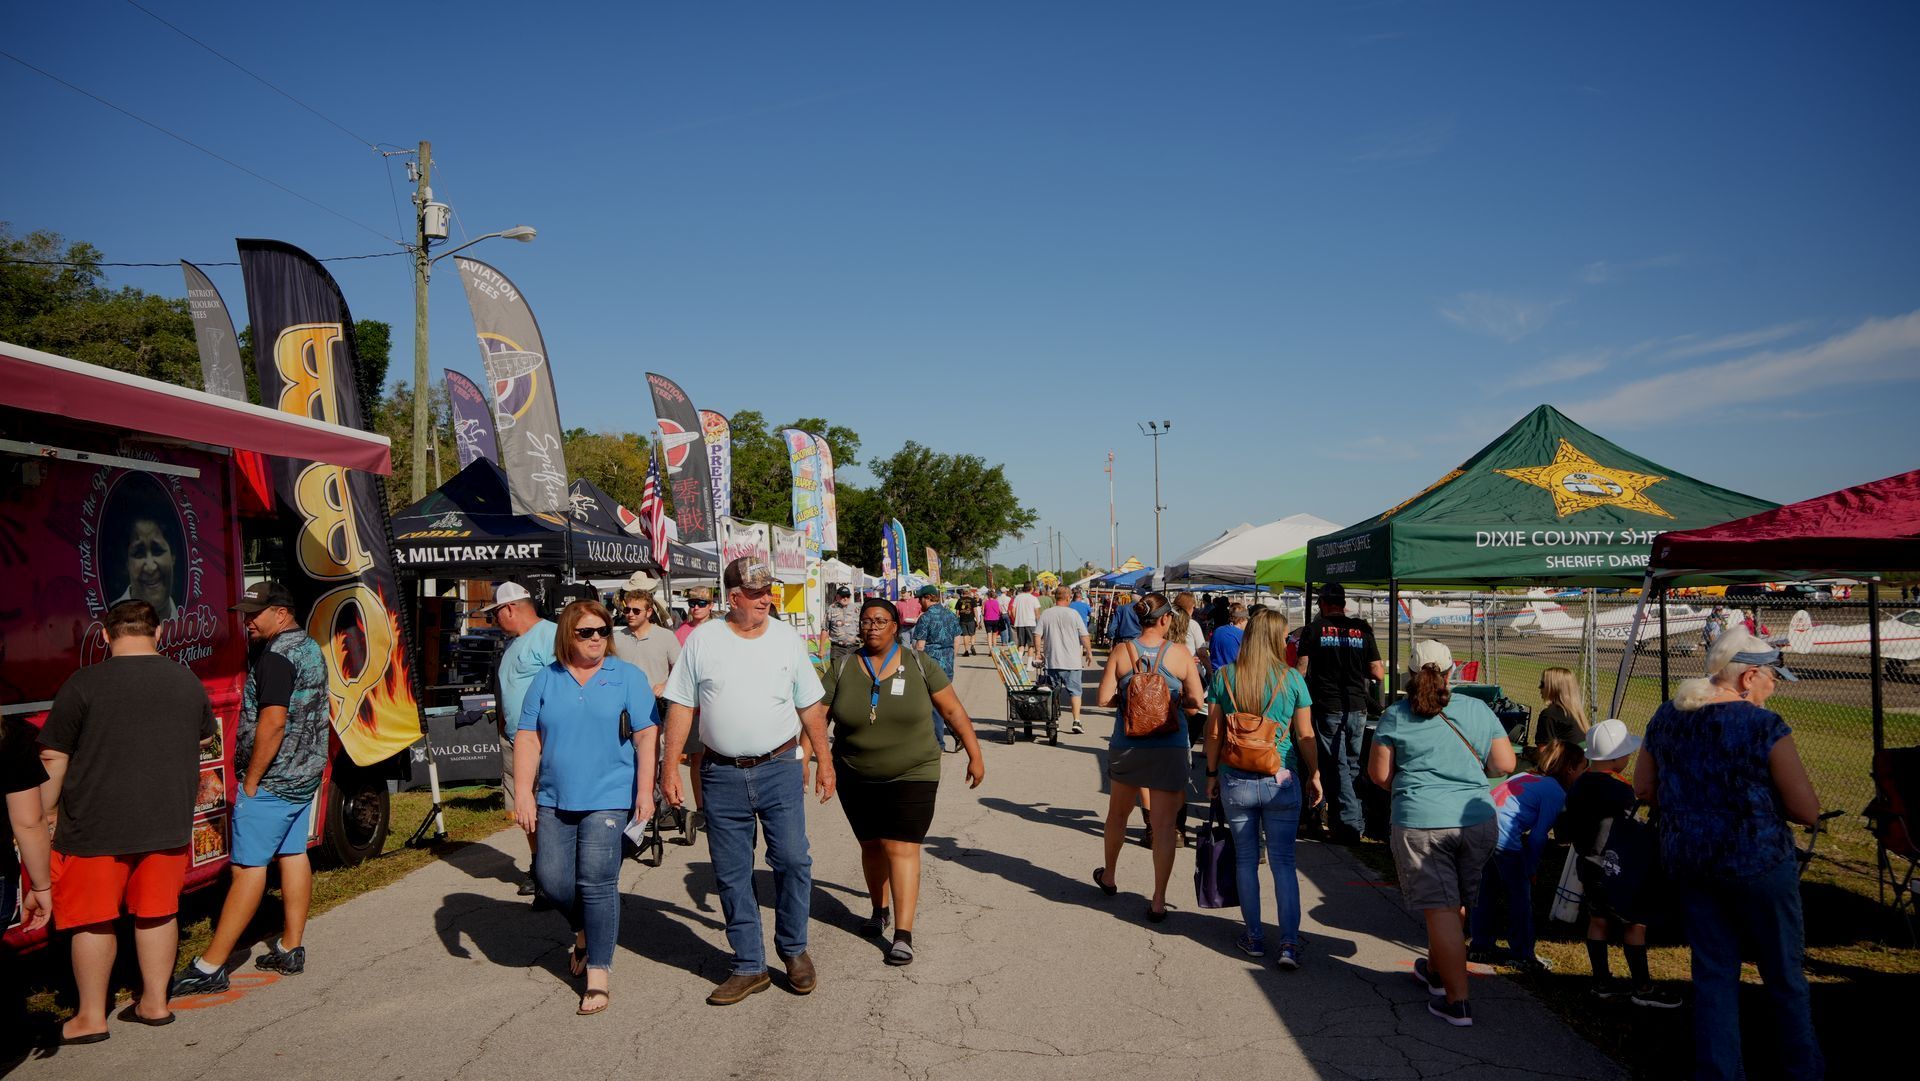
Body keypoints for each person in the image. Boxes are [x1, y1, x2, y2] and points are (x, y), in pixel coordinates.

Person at [1636, 629, 1824, 1079]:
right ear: (1748, 676)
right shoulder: (1764, 726)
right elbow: (1807, 810)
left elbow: (1644, 788)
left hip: (1690, 860)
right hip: (1758, 861)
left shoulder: (1668, 716)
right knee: (1783, 974)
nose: (1774, 687)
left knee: (1714, 974)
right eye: (1772, 678)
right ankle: (1802, 1069)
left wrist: (1690, 801)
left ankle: (1720, 1072)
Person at [35, 600, 211, 1043]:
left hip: (94, 824)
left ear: (105, 634)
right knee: (158, 911)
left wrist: (44, 812)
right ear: (160, 632)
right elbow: (203, 737)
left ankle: (91, 1018)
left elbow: (53, 754)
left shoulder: (83, 683)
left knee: (93, 919)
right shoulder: (186, 680)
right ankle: (155, 1003)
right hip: (166, 819)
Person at [661, 558, 833, 1006]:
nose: (765, 600)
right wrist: (668, 767)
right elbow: (681, 705)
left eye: (767, 592)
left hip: (779, 767)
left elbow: (810, 705)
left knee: (792, 860)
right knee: (732, 872)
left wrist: (824, 760)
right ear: (732, 597)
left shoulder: (786, 639)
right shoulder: (703, 640)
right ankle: (749, 965)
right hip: (720, 774)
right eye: (756, 594)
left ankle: (793, 949)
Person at [172, 581, 330, 998]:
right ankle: (291, 947)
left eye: (254, 614)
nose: (247, 622)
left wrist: (252, 780)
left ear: (281, 613)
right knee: (293, 854)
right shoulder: (309, 647)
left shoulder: (275, 657)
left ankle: (211, 967)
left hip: (274, 780)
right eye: (245, 614)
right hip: (303, 774)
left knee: (247, 869)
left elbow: (273, 722)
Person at [513, 599, 658, 1015]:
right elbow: (528, 736)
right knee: (552, 879)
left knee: (597, 882)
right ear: (567, 635)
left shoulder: (627, 676)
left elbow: (647, 735)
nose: (596, 638)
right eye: (586, 632)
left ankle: (598, 973)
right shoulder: (547, 678)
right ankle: (582, 930)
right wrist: (523, 792)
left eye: (603, 631)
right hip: (555, 797)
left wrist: (644, 792)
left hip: (610, 796)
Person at [823, 599, 986, 965]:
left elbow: (952, 710)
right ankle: (878, 910)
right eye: (866, 621)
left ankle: (902, 934)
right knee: (871, 845)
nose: (872, 627)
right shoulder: (842, 666)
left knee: (900, 847)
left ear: (896, 626)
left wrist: (974, 753)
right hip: (854, 771)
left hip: (914, 772)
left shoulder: (919, 663)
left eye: (880, 621)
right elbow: (819, 716)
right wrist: (810, 760)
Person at [1367, 639, 1516, 1028]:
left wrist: (1414, 787)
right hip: (1476, 818)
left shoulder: (1396, 716)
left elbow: (1379, 775)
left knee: (1442, 908)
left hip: (1423, 821)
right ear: (1452, 672)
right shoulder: (1478, 709)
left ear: (1410, 674)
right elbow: (1505, 763)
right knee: (1456, 902)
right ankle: (1437, 971)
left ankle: (1457, 1000)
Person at [1204, 608, 1320, 968]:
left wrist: (1211, 773)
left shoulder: (1225, 676)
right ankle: (1288, 943)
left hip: (1235, 776)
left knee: (1245, 859)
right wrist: (1314, 773)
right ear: (1276, 639)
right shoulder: (1292, 679)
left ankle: (1254, 936)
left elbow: (1213, 732)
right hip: (1280, 776)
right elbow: (1305, 734)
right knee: (1284, 862)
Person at [1093, 593, 1207, 923]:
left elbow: (1103, 699)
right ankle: (1158, 899)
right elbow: (1196, 702)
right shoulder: (1180, 654)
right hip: (1169, 746)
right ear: (1165, 619)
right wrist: (1169, 701)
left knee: (1117, 815)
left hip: (1128, 744)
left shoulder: (1122, 651)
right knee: (1164, 826)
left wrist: (1132, 700)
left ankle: (1110, 875)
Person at [1556, 717, 1676, 1009]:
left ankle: (1601, 982)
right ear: (1614, 758)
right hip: (1616, 866)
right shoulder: (1620, 790)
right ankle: (1642, 987)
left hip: (1587, 863)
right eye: (1626, 753)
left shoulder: (1580, 783)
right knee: (1635, 923)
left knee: (1598, 920)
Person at [1469, 741, 1586, 973]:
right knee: (1520, 898)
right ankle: (1523, 954)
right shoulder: (1555, 792)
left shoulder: (1525, 776)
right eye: (1583, 767)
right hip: (1502, 839)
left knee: (1484, 891)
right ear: (1570, 769)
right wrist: (1530, 868)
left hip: (1477, 830)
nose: (1585, 772)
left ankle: (1480, 946)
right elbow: (1538, 837)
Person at [1295, 584, 1383, 845]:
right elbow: (1377, 672)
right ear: (1343, 604)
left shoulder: (1314, 630)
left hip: (1328, 706)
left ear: (1323, 603)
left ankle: (1348, 825)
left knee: (1337, 767)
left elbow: (1301, 670)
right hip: (1357, 706)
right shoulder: (1362, 629)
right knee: (1352, 765)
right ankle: (1352, 821)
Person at [487, 582, 558, 897]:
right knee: (524, 808)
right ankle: (539, 863)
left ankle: (554, 869)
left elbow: (564, 685)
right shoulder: (513, 644)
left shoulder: (550, 635)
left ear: (510, 608)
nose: (495, 619)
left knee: (549, 808)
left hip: (544, 741)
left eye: (496, 613)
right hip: (514, 740)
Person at [908, 585, 964, 754]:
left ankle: (938, 743)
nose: (919, 602)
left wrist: (914, 664)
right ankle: (957, 734)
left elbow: (920, 645)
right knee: (943, 702)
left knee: (934, 705)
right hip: (947, 665)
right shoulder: (950, 615)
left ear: (927, 598)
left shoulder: (925, 618)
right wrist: (950, 658)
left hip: (930, 666)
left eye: (920, 599)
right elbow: (957, 640)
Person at [1035, 586, 1094, 734]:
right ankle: (1076, 721)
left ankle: (1054, 720)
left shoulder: (1046, 613)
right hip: (1072, 662)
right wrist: (1089, 651)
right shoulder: (1074, 614)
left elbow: (1037, 634)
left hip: (1052, 661)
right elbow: (1084, 635)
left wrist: (1038, 652)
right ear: (1068, 598)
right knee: (1075, 692)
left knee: (1053, 692)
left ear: (1055, 597)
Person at [1534, 667, 1590, 748]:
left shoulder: (1549, 715)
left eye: (1543, 684)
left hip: (1566, 756)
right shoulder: (1577, 715)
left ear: (1553, 688)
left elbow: (1544, 751)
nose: (1539, 687)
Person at [1209, 603, 1248, 670]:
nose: (1247, 623)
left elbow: (1211, 650)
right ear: (1241, 620)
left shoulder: (1217, 630)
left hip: (1215, 672)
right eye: (1247, 620)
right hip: (1232, 673)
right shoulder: (1242, 635)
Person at [1010, 584, 1041, 653]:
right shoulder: (1034, 598)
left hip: (1020, 623)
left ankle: (1019, 658)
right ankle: (1030, 660)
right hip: (1031, 623)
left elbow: (1013, 610)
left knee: (1021, 644)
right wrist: (1037, 621)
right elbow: (1037, 612)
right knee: (1031, 645)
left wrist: (1016, 619)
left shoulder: (1017, 597)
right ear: (1031, 589)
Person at [954, 588, 980, 657]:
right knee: (973, 634)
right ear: (969, 593)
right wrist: (977, 620)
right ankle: (972, 645)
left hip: (962, 620)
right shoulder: (972, 600)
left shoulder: (959, 600)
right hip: (971, 619)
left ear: (963, 593)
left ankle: (966, 651)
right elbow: (975, 610)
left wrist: (956, 620)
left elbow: (957, 612)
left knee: (965, 635)